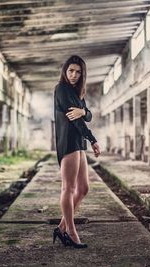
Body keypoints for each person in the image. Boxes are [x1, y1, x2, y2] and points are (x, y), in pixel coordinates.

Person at [52, 55, 101, 249]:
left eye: (78, 72)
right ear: (65, 71)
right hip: (69, 142)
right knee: (69, 188)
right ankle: (71, 233)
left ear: (82, 74)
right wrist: (93, 140)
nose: (73, 75)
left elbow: (87, 115)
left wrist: (83, 112)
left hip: (79, 142)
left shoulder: (78, 92)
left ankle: (61, 228)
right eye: (70, 71)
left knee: (84, 188)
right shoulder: (62, 89)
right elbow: (76, 119)